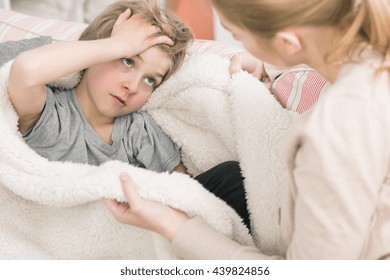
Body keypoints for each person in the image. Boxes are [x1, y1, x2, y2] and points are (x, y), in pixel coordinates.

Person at [104, 0, 390, 259]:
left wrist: (174, 225)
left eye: (237, 35)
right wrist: (272, 63)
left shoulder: (336, 130)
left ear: (288, 42)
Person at [7, 0, 252, 230]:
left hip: (139, 234)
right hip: (63, 229)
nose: (133, 86)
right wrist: (118, 44)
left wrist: (243, 59)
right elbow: (26, 70)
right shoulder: (52, 115)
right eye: (127, 61)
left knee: (233, 177)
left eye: (150, 80)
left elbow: (184, 193)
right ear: (97, 49)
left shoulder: (139, 129)